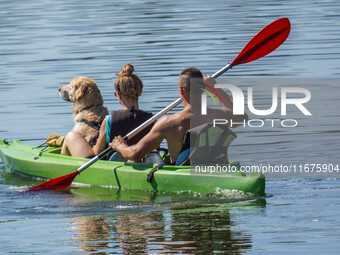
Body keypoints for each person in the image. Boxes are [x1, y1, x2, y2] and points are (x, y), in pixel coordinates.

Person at [109, 67, 248, 164]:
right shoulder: (218, 115)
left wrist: (120, 146)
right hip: (214, 167)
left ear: (181, 90)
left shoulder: (169, 123)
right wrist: (216, 88)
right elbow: (242, 115)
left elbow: (135, 154)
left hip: (185, 174)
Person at [61, 63, 154, 159]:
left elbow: (97, 153)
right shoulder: (152, 120)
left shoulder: (109, 120)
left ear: (118, 95)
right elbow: (154, 150)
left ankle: (62, 163)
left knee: (71, 136)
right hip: (141, 162)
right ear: (140, 92)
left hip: (115, 163)